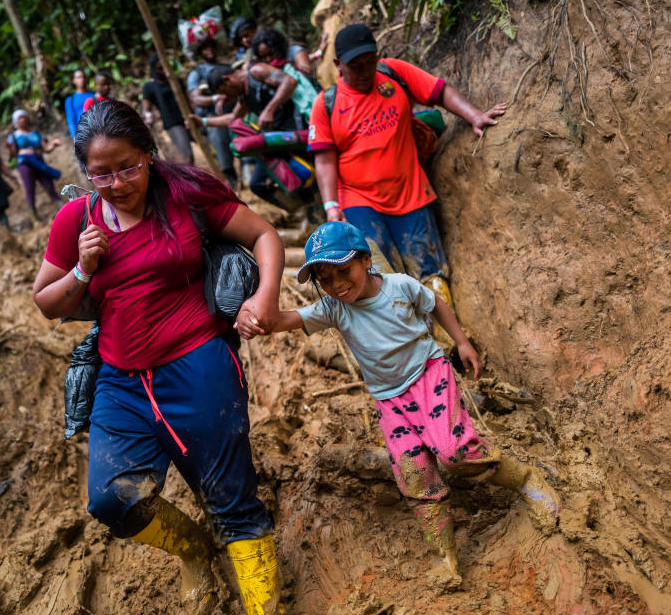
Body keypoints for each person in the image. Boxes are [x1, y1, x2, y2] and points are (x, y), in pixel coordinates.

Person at [32, 100, 289, 615]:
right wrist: (84, 266)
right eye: (100, 173)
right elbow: (48, 303)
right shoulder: (75, 219)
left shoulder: (187, 193)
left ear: (148, 156)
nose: (116, 182)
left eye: (127, 166)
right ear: (84, 172)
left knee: (231, 499)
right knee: (111, 501)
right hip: (121, 381)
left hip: (198, 364)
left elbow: (264, 235)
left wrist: (264, 298)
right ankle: (195, 549)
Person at [240, 221, 560, 589]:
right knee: (415, 473)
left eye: (344, 270)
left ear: (365, 261)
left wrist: (462, 342)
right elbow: (285, 319)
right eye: (325, 279)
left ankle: (525, 480)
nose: (337, 284)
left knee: (454, 451)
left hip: (429, 375)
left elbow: (435, 302)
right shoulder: (333, 308)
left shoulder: (400, 287)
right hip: (389, 399)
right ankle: (445, 556)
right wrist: (256, 316)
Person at [308, 23, 507, 310]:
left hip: (409, 191)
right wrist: (331, 206)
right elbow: (325, 159)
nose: (365, 71)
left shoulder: (393, 73)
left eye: (370, 62)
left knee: (429, 271)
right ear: (338, 64)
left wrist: (473, 115)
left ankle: (445, 344)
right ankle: (405, 344)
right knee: (376, 274)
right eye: (355, 66)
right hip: (357, 199)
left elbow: (439, 92)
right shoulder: (326, 104)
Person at [192, 63, 300, 210]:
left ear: (228, 79)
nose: (231, 97)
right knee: (257, 185)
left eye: (227, 93)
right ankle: (299, 209)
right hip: (275, 140)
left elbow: (289, 81)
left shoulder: (256, 72)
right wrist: (203, 122)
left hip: (296, 130)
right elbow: (233, 119)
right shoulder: (244, 96)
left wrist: (270, 109)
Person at [186, 39, 238, 188]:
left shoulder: (226, 68)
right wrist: (216, 98)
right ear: (200, 52)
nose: (210, 51)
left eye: (212, 47)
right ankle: (229, 175)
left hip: (235, 112)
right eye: (205, 48)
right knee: (219, 138)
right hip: (212, 116)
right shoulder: (197, 73)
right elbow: (195, 98)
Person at [6, 109, 63, 222]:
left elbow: (46, 149)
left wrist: (53, 145)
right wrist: (10, 148)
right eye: (20, 118)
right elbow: (12, 155)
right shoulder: (13, 137)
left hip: (39, 161)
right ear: (15, 122)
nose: (23, 119)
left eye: (24, 116)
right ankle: (34, 217)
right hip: (24, 164)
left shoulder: (36, 134)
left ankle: (61, 207)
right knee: (29, 188)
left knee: (48, 184)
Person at [142, 54, 193, 164]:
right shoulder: (150, 86)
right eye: (160, 68)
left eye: (165, 66)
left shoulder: (177, 81)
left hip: (189, 117)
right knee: (187, 155)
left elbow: (189, 98)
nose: (163, 70)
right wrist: (147, 115)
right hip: (173, 122)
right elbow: (146, 106)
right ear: (154, 70)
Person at [64, 68, 94, 137]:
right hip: (83, 135)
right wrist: (75, 138)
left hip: (98, 131)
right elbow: (71, 120)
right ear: (74, 80)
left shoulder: (94, 95)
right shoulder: (70, 100)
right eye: (79, 77)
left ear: (87, 79)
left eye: (84, 77)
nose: (82, 79)